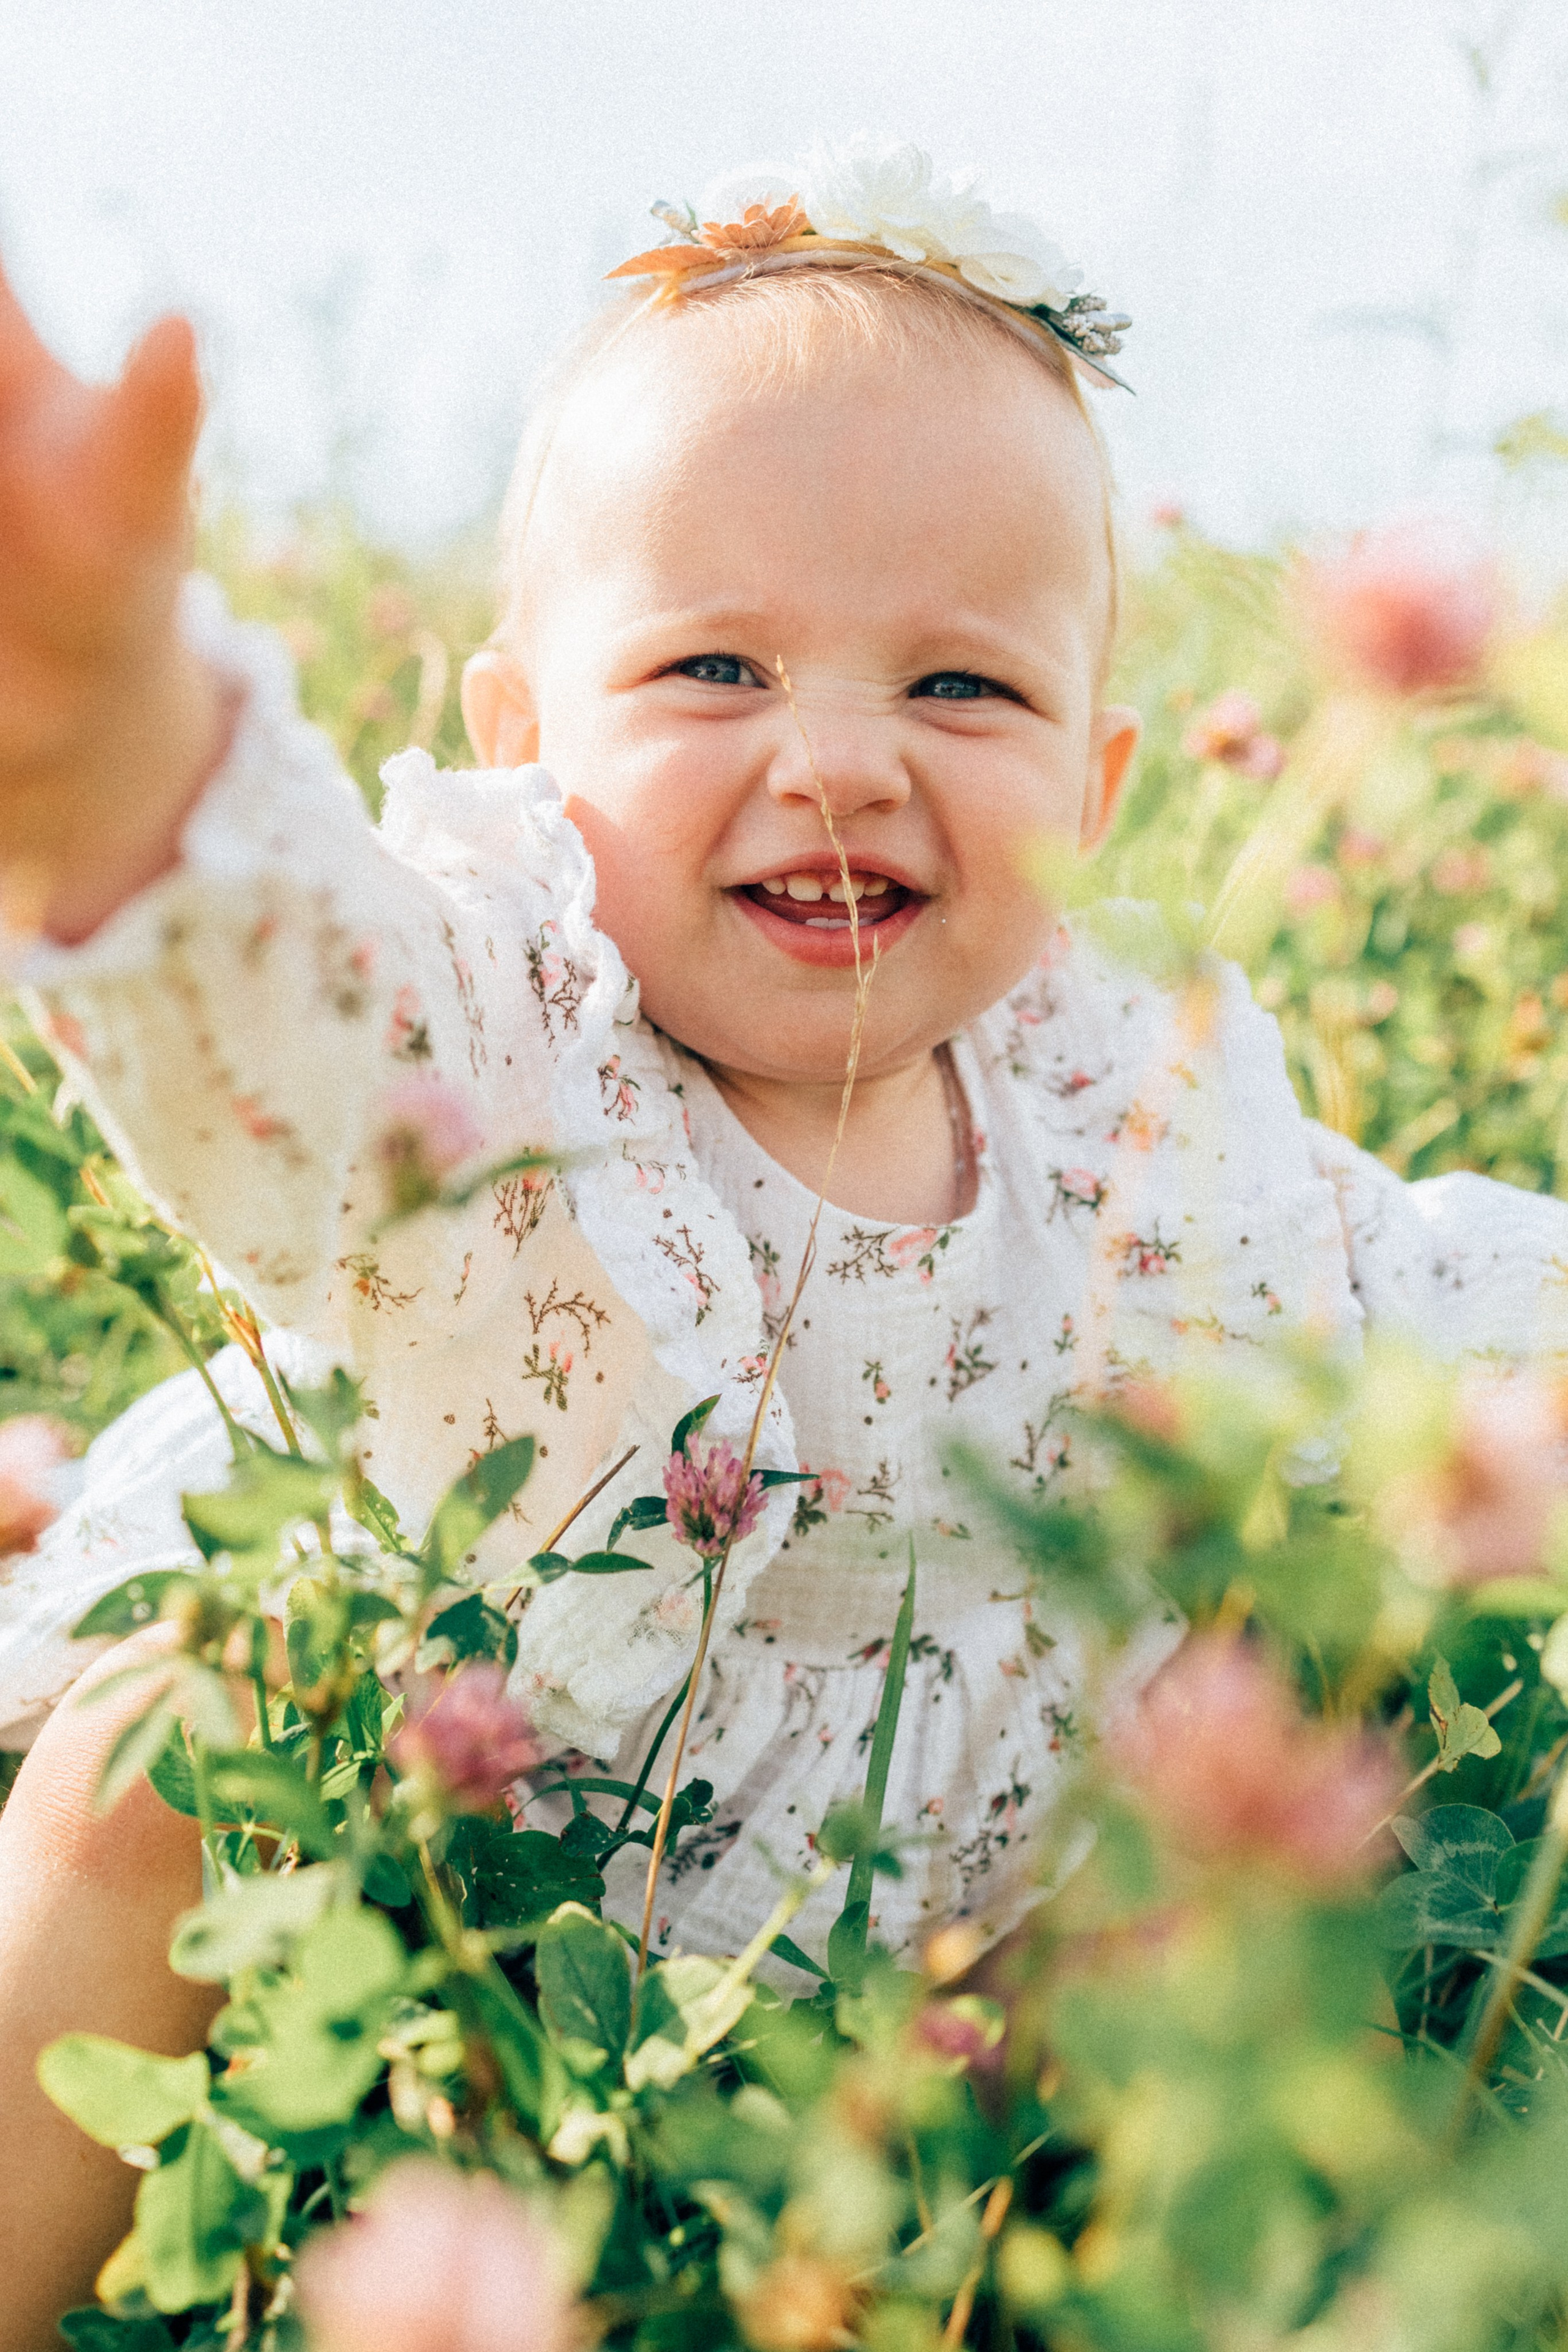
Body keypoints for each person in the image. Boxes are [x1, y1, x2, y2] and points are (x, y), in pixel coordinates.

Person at [1, 138, 1565, 2334]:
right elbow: (299, 1007)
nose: (834, 758)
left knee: (1224, 1880)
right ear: (524, 747)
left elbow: (1418, 1293)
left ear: (1097, 781)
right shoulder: (512, 1044)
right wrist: (119, 764)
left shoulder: (1134, 1118)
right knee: (140, 1763)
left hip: (926, 1946)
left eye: (961, 691)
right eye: (717, 669)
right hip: (454, 1855)